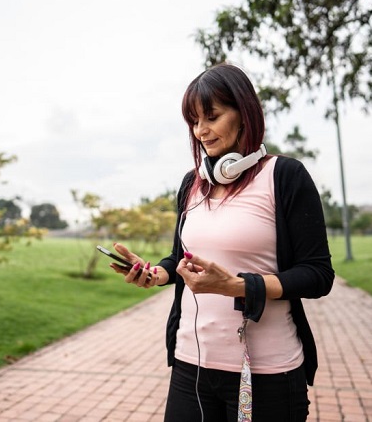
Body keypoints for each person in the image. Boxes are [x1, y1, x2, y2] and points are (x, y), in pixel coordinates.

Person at [107, 63, 334, 422]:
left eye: (211, 116)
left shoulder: (285, 176)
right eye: (194, 121)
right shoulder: (191, 184)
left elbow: (318, 275)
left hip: (267, 373)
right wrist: (157, 274)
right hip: (190, 365)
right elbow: (180, 258)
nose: (201, 131)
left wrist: (236, 286)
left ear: (244, 114)